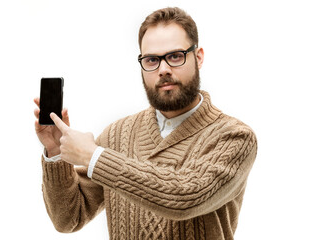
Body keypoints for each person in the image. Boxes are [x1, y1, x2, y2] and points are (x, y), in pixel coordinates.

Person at [33, 7, 257, 240]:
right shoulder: (116, 135)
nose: (163, 70)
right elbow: (68, 218)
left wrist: (94, 157)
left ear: (198, 57)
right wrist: (56, 152)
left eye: (175, 56)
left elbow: (184, 199)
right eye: (151, 60)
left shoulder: (234, 137)